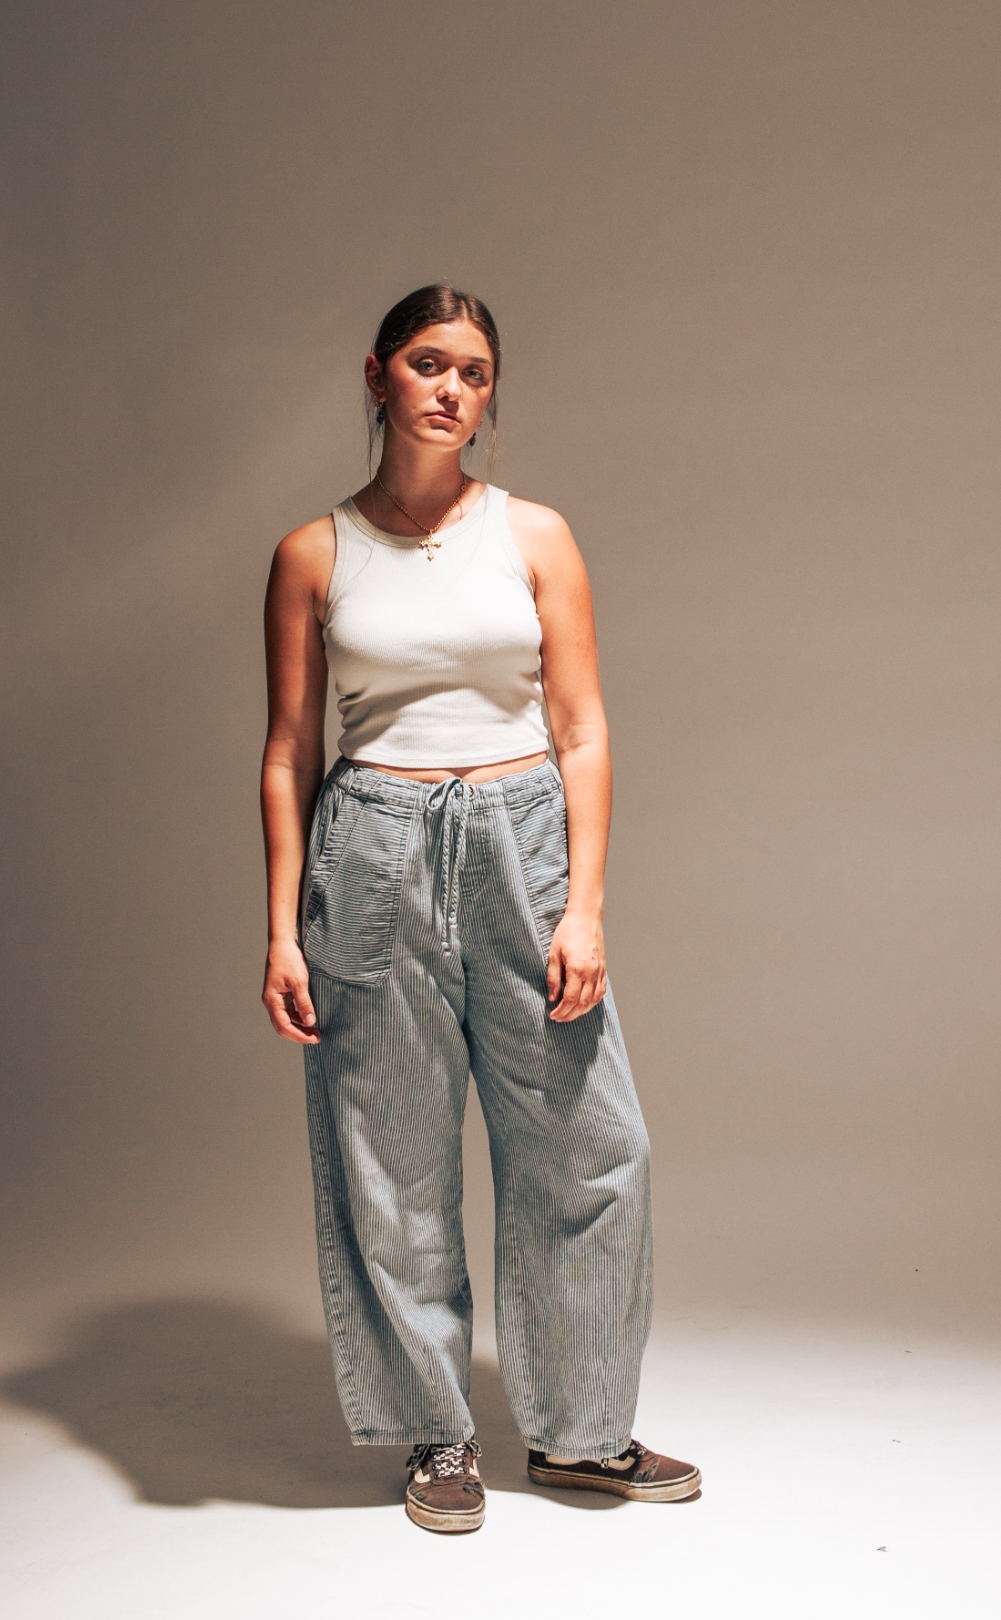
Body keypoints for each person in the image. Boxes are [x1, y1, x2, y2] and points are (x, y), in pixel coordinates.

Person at [260, 284, 700, 1534]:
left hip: (521, 845)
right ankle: (438, 1440)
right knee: (392, 1162)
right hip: (374, 848)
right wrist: (283, 926)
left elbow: (582, 728)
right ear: (379, 375)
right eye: (428, 364)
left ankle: (580, 1433)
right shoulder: (314, 553)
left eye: (477, 372)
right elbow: (291, 750)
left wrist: (589, 908)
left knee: (593, 1149)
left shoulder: (537, 536)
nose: (453, 390)